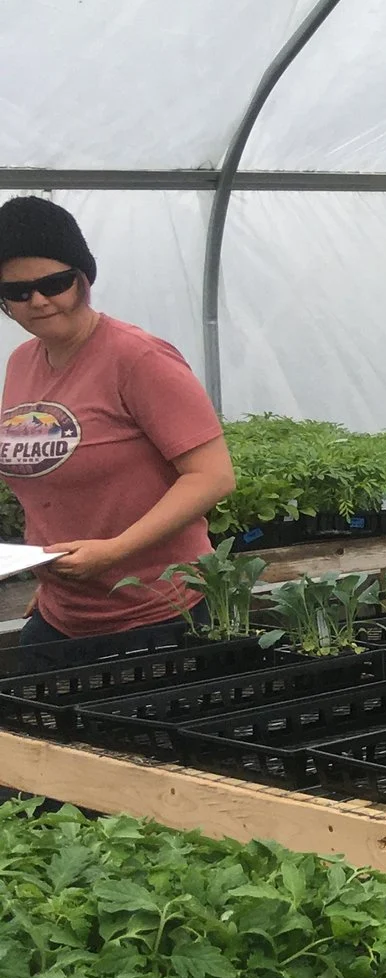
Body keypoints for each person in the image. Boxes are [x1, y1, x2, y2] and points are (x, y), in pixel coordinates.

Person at [0, 197, 234, 670]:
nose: (39, 301)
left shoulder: (137, 358)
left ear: (84, 280)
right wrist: (49, 583)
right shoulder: (22, 362)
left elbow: (212, 476)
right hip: (64, 613)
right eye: (18, 291)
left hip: (160, 612)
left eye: (54, 283)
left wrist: (115, 552)